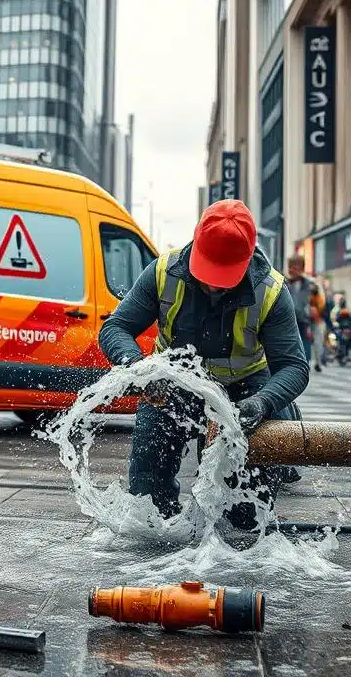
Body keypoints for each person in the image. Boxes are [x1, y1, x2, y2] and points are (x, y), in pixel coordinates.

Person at [98, 199, 309, 531]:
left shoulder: (271, 290)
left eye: (224, 276)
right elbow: (115, 329)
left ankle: (285, 415)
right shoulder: (162, 273)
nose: (214, 284)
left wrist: (263, 402)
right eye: (209, 271)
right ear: (195, 243)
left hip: (244, 391)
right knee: (147, 508)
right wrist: (140, 369)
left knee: (246, 518)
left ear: (247, 259)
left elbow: (294, 366)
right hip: (172, 386)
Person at [284, 256, 320, 373]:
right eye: (290, 267)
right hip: (288, 318)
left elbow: (316, 301)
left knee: (305, 341)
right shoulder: (285, 282)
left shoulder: (310, 285)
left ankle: (305, 363)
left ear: (301, 268)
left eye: (295, 267)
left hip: (304, 318)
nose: (292, 270)